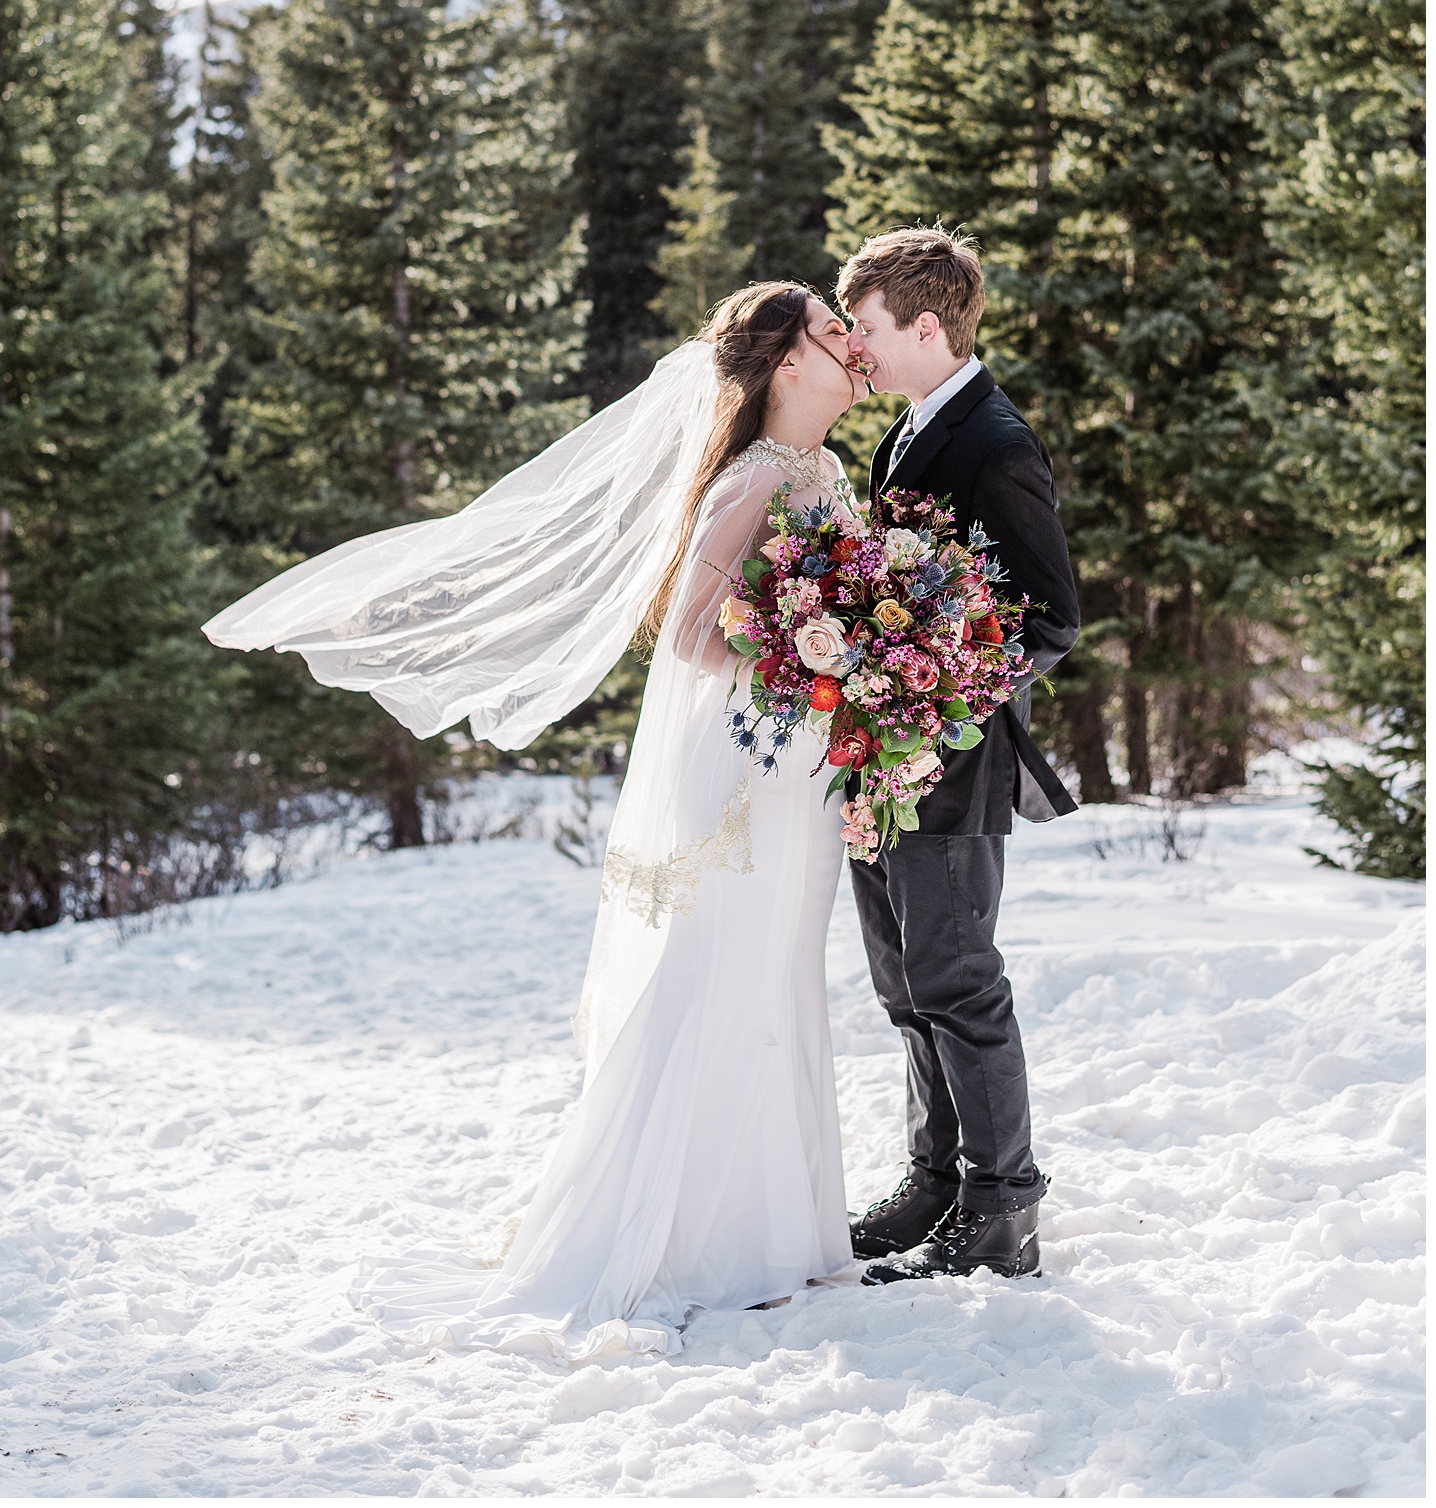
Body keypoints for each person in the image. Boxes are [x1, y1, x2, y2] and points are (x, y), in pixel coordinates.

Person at [203, 283, 870, 1361]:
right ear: (786, 363)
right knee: (714, 970)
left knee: (781, 968)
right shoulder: (749, 480)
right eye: (833, 335)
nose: (852, 349)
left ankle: (777, 1231)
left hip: (794, 763)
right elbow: (694, 637)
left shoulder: (828, 472)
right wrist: (802, 648)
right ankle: (672, 1241)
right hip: (742, 766)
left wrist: (849, 650)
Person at [838, 225, 1080, 1284]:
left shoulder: (995, 439)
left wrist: (929, 696)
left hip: (948, 755)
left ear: (926, 326)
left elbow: (1050, 615)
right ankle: (935, 1176)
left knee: (957, 975)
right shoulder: (910, 430)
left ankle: (1002, 1207)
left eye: (869, 326)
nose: (856, 345)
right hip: (882, 756)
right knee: (904, 977)